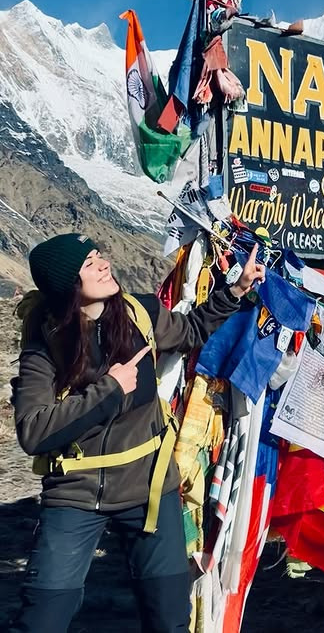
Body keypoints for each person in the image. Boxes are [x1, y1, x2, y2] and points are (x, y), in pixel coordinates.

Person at [10, 232, 265, 633]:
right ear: (66, 285)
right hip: (75, 493)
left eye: (99, 255)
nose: (104, 264)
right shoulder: (46, 343)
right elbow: (33, 431)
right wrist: (109, 389)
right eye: (89, 263)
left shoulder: (140, 313)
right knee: (41, 619)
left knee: (169, 618)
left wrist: (236, 290)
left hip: (149, 486)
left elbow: (190, 330)